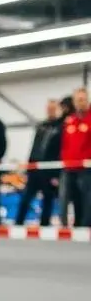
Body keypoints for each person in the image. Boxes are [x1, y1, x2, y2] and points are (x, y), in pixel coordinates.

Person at [15, 99, 63, 226]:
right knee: (26, 198)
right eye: (48, 109)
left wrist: (56, 174)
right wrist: (29, 166)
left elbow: (61, 150)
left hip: (49, 169)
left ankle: (44, 225)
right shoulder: (41, 126)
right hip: (35, 168)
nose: (50, 111)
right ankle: (18, 223)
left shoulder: (61, 127)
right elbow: (34, 147)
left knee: (48, 199)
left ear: (58, 110)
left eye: (53, 109)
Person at [60, 87, 91, 227]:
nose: (80, 103)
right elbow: (64, 144)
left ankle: (86, 225)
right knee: (71, 198)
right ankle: (74, 225)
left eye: (82, 99)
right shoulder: (69, 120)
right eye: (77, 100)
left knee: (87, 198)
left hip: (86, 167)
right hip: (69, 167)